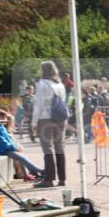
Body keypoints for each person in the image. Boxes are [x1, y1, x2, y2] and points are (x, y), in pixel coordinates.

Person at [31, 60, 68, 188]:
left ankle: (48, 179)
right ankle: (62, 179)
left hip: (46, 118)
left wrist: (34, 122)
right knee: (60, 148)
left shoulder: (42, 84)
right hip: (61, 118)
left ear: (43, 70)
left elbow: (39, 105)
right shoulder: (60, 84)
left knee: (47, 148)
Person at [0, 110, 43, 181]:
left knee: (22, 156)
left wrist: (14, 147)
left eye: (5, 118)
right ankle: (39, 171)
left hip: (6, 149)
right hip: (1, 151)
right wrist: (13, 147)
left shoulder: (1, 127)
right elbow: (3, 143)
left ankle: (32, 173)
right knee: (21, 157)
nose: (5, 120)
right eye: (3, 118)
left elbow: (8, 141)